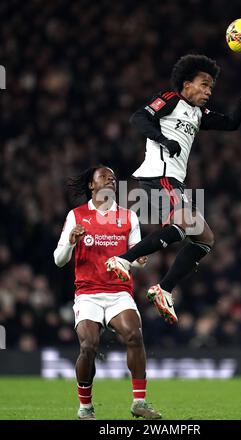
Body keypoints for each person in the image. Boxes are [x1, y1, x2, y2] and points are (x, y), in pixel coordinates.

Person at [106, 54, 241, 324]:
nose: (208, 91)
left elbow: (230, 124)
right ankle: (123, 259)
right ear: (186, 84)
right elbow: (138, 119)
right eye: (203, 84)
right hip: (160, 177)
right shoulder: (170, 100)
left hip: (173, 182)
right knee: (182, 225)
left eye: (211, 87)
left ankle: (163, 289)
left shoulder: (198, 113)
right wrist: (163, 140)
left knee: (205, 238)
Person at [54, 165, 161, 420]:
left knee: (134, 335)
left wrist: (139, 259)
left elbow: (134, 256)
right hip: (88, 293)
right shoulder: (76, 216)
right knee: (89, 346)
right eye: (104, 176)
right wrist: (71, 241)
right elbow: (59, 259)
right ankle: (85, 407)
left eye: (113, 177)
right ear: (92, 185)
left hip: (118, 292)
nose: (110, 180)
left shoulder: (128, 217)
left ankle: (139, 402)